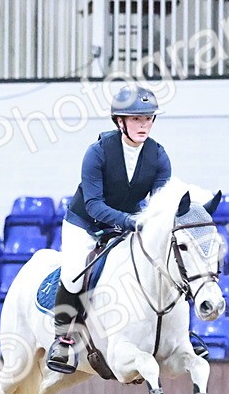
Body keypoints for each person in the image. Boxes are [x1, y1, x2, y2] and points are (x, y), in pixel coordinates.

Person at [46, 85, 172, 374]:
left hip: (126, 223)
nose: (144, 125)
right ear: (120, 121)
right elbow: (93, 205)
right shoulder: (98, 152)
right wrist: (130, 221)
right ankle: (62, 340)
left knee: (159, 265)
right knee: (75, 273)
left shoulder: (158, 156)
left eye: (148, 118)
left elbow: (160, 202)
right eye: (136, 119)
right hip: (85, 223)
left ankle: (177, 335)